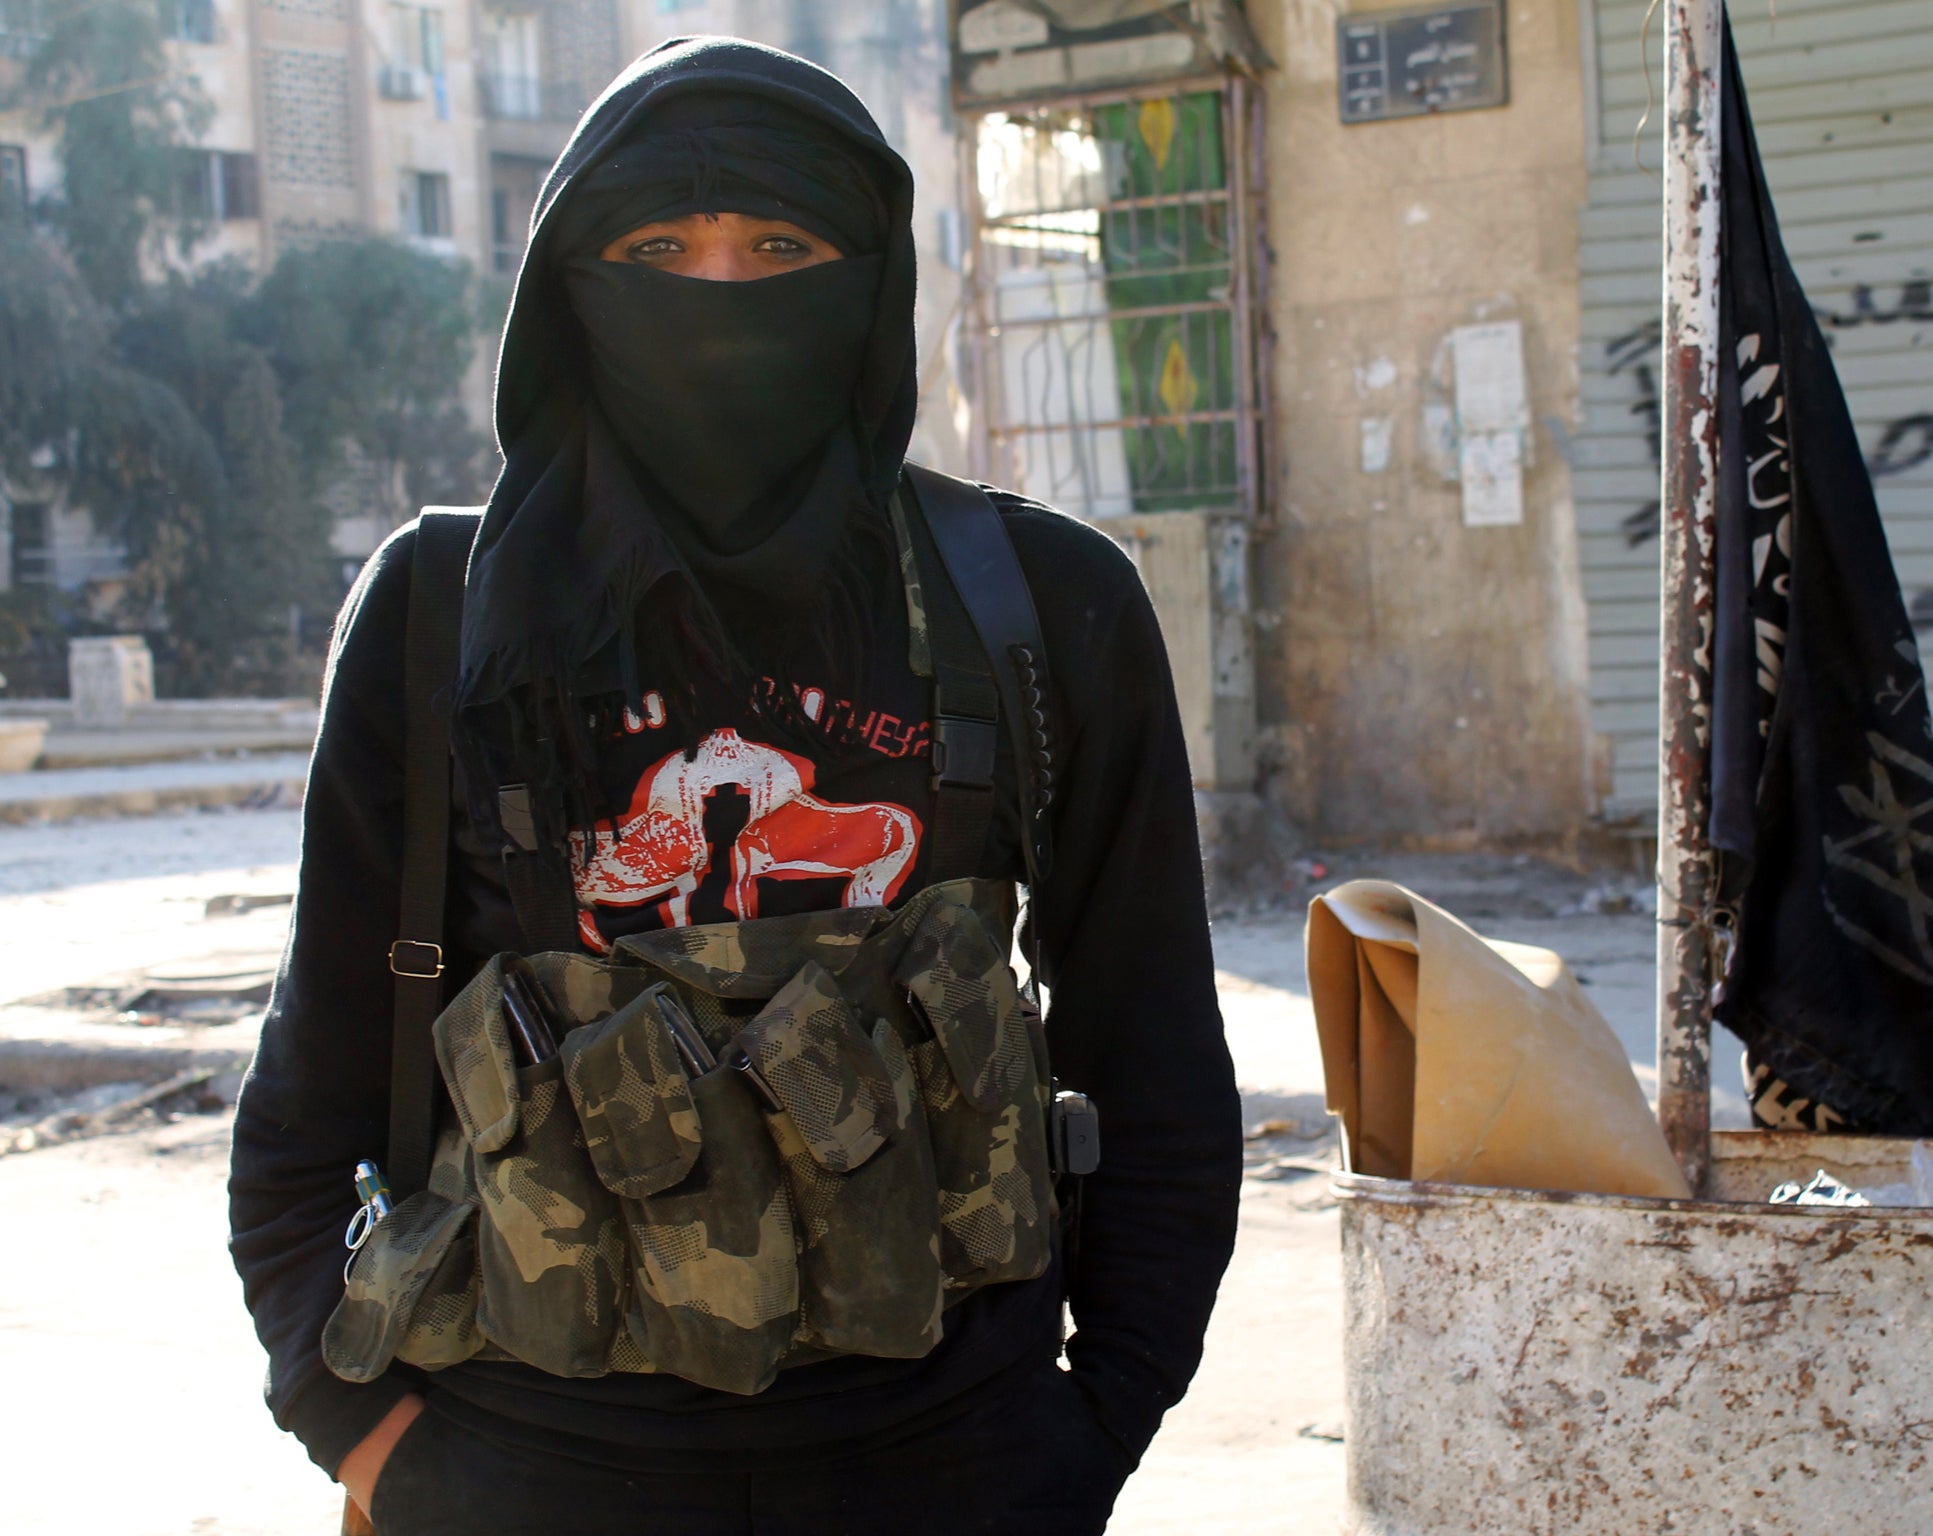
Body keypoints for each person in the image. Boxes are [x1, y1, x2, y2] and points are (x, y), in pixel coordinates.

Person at [228, 35, 1240, 1536]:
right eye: (656, 247)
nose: (715, 292)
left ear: (868, 283)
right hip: (525, 1465)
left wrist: (1090, 1436)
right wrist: (371, 1444)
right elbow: (312, 1086)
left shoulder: (1041, 604)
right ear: (571, 286)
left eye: (780, 244)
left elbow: (1156, 1065)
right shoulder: (444, 613)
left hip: (953, 1464)